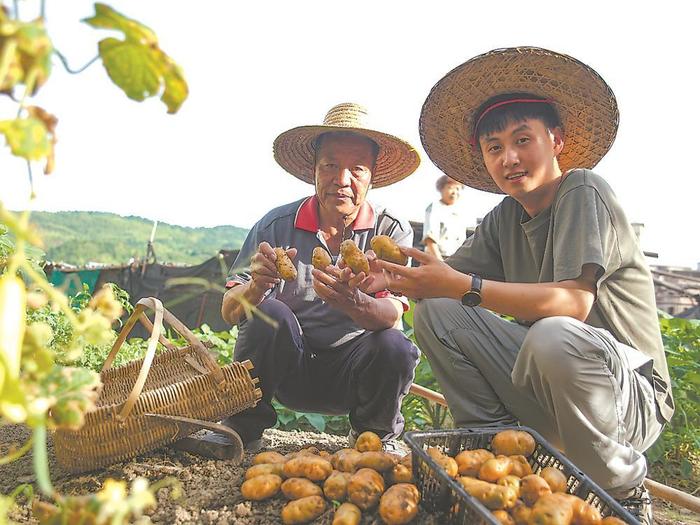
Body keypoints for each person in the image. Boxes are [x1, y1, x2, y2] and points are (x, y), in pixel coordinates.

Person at [363, 48, 673, 524]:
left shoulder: (583, 190)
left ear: (556, 140)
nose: (508, 158)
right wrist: (385, 280)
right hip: (554, 385)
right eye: (493, 148)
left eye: (522, 139)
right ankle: (501, 455)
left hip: (629, 398)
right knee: (437, 311)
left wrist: (463, 285)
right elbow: (440, 289)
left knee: (552, 331)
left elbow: (572, 303)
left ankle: (622, 489)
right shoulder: (504, 218)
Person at [220, 103, 421, 451]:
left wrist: (355, 303)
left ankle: (374, 436)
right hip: (290, 368)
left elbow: (393, 315)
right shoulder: (275, 226)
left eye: (357, 169)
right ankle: (242, 428)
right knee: (270, 312)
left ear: (372, 175)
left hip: (355, 372)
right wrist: (255, 288)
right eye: (330, 165)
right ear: (313, 170)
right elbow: (228, 311)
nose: (342, 180)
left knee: (394, 344)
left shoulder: (390, 232)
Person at [423, 175, 468, 259]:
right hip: (435, 259)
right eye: (450, 188)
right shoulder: (435, 208)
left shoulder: (460, 213)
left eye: (457, 189)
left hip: (455, 261)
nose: (454, 192)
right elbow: (430, 240)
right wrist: (441, 263)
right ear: (441, 189)